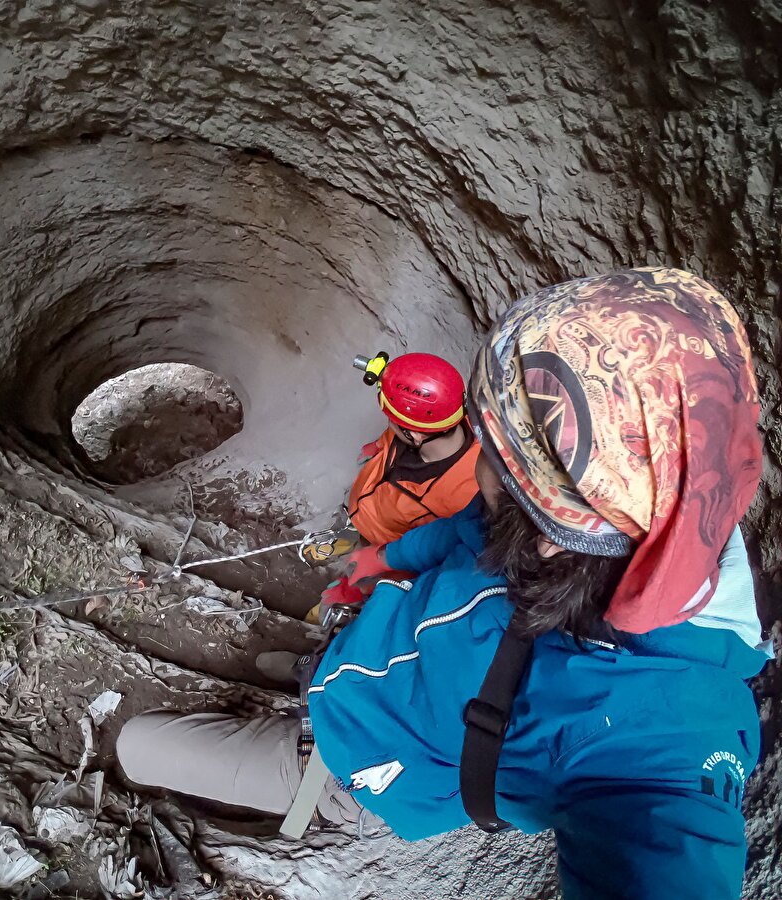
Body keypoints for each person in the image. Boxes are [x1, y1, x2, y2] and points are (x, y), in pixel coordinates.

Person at [116, 268, 771, 899]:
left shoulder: (665, 735)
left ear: (549, 529)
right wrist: (384, 560)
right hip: (364, 665)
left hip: (355, 770)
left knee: (134, 745)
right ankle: (311, 674)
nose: (475, 456)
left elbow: (670, 847)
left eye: (489, 449)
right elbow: (464, 529)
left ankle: (283, 798)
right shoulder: (604, 510)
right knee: (314, 664)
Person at [292, 352, 481, 629]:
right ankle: (351, 534)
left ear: (414, 433)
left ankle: (348, 594)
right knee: (361, 529)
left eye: (391, 419)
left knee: (364, 577)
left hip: (392, 549)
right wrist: (379, 449)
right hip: (372, 512)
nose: (388, 422)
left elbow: (432, 555)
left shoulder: (461, 497)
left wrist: (380, 565)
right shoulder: (424, 429)